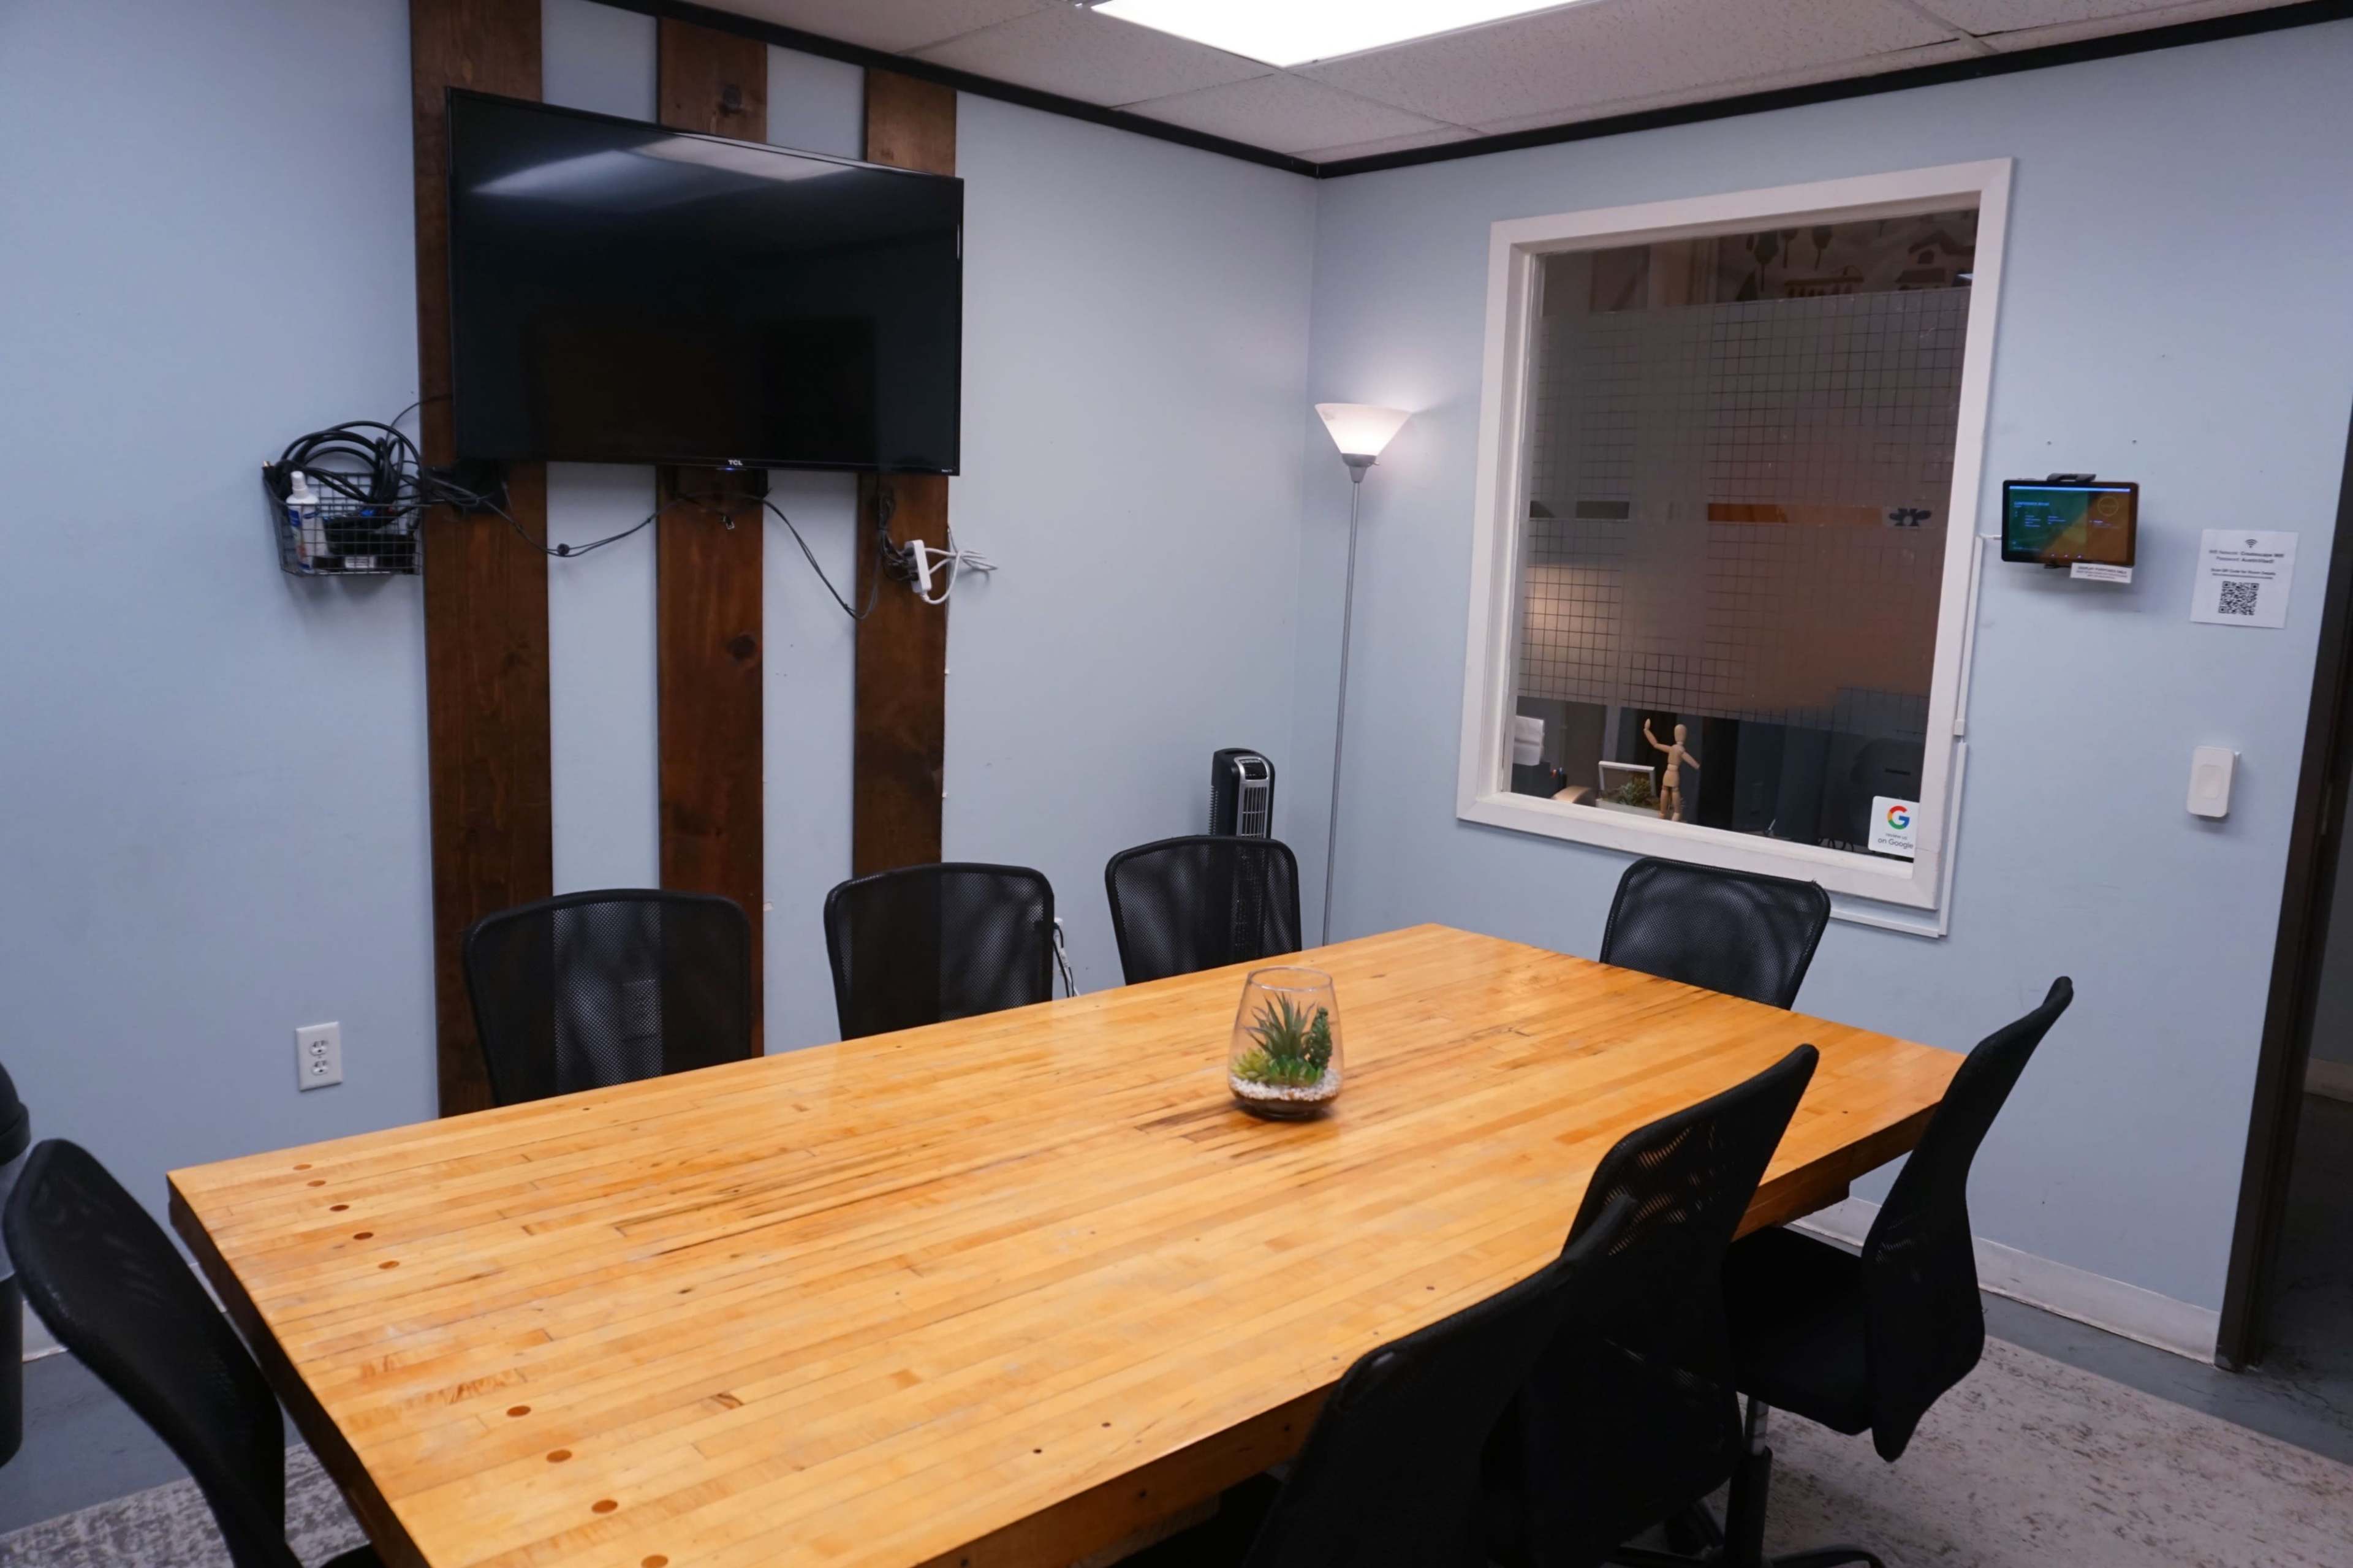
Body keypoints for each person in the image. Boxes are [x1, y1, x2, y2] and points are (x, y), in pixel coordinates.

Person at [1642, 719, 1699, 823]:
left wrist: (1647, 730)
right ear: (1684, 736)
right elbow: (1691, 761)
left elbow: (1656, 744)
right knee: (1675, 791)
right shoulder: (1680, 750)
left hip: (1667, 772)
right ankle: (1676, 813)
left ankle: (1662, 813)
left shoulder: (1672, 748)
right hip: (1674, 773)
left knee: (1664, 789)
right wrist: (1698, 767)